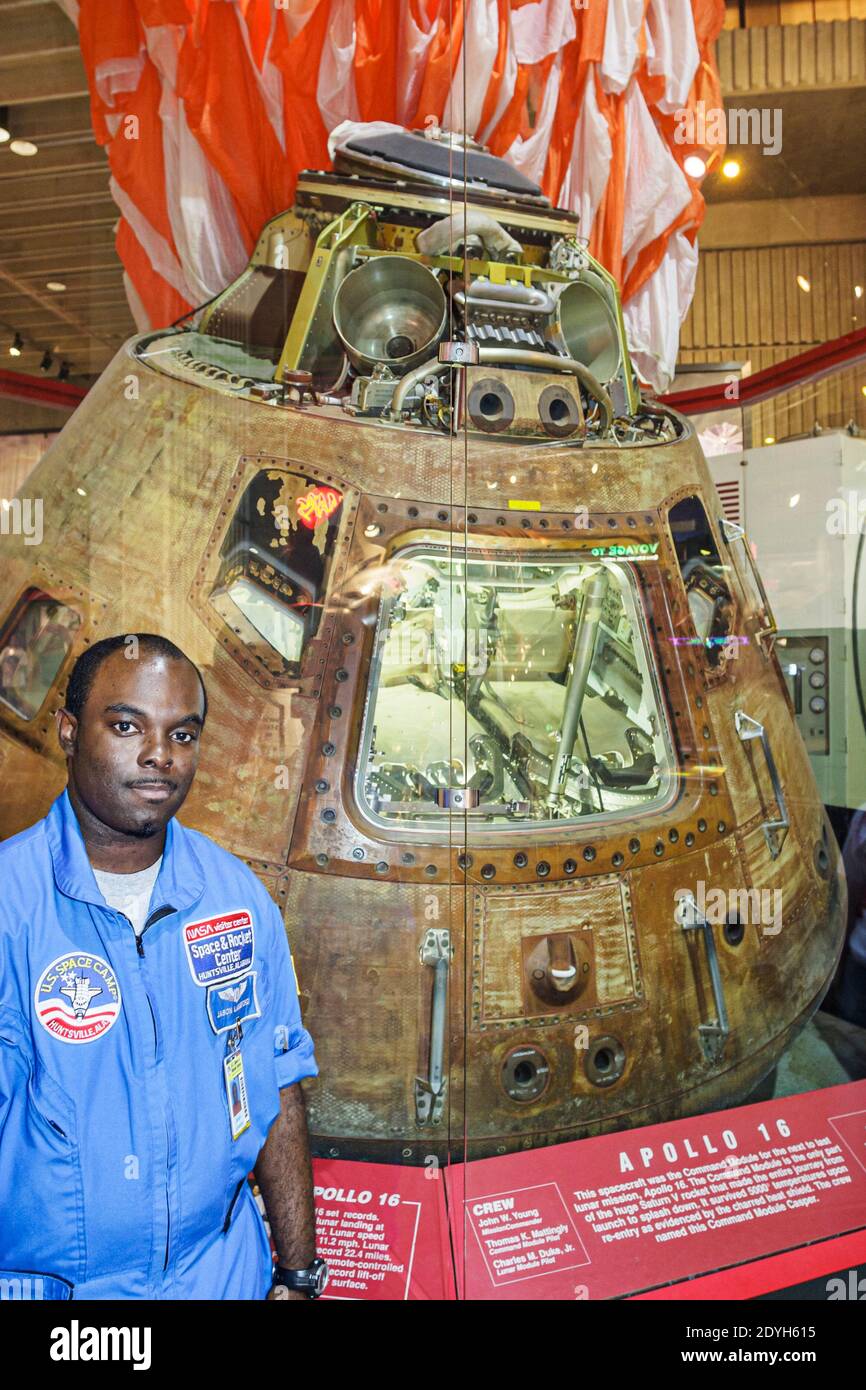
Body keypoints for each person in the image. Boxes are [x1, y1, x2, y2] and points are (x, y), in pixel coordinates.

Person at [0, 633, 328, 1300]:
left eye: (183, 736)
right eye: (126, 726)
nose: (158, 756)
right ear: (67, 731)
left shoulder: (236, 900)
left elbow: (278, 1080)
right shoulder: (12, 906)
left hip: (218, 1275)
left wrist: (296, 1275)